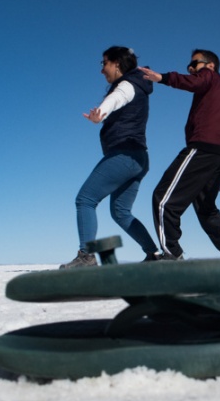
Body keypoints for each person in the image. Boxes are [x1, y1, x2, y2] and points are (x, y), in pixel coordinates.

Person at [140, 50, 220, 260]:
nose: (190, 68)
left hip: (204, 147)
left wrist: (163, 78)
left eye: (194, 64)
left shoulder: (210, 76)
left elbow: (193, 83)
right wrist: (214, 169)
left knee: (163, 199)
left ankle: (172, 255)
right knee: (206, 207)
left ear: (210, 65)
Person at [61, 46, 161, 268]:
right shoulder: (138, 85)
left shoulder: (128, 84)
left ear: (117, 63)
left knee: (85, 199)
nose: (102, 70)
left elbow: (117, 98)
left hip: (124, 154)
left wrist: (101, 114)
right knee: (121, 212)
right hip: (139, 158)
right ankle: (154, 255)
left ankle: (86, 256)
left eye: (104, 63)